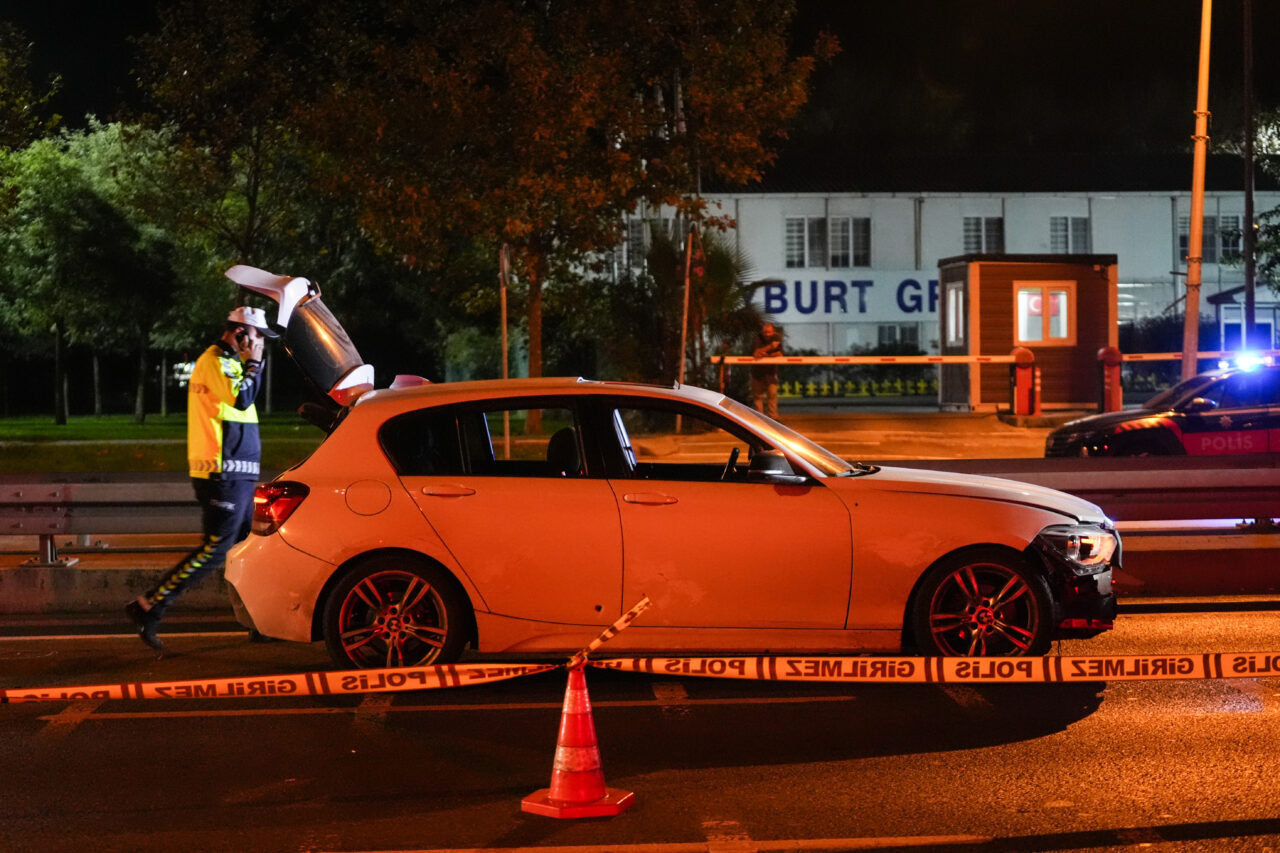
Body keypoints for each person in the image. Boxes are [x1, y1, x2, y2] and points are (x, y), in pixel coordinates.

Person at [125, 306, 277, 653]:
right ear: (240, 334)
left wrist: (252, 363)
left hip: (237, 474)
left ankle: (258, 622)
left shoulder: (232, 363)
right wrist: (253, 363)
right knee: (216, 548)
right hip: (221, 474)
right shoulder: (216, 361)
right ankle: (150, 606)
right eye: (256, 338)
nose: (259, 346)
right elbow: (241, 398)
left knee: (241, 552)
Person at [750, 322, 783, 419]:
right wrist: (770, 347)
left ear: (773, 332)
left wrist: (766, 354)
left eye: (769, 332)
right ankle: (760, 419)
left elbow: (780, 354)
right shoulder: (757, 338)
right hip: (757, 373)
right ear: (762, 332)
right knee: (758, 397)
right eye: (765, 332)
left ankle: (773, 419)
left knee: (772, 396)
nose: (767, 335)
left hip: (771, 373)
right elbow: (756, 353)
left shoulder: (777, 338)